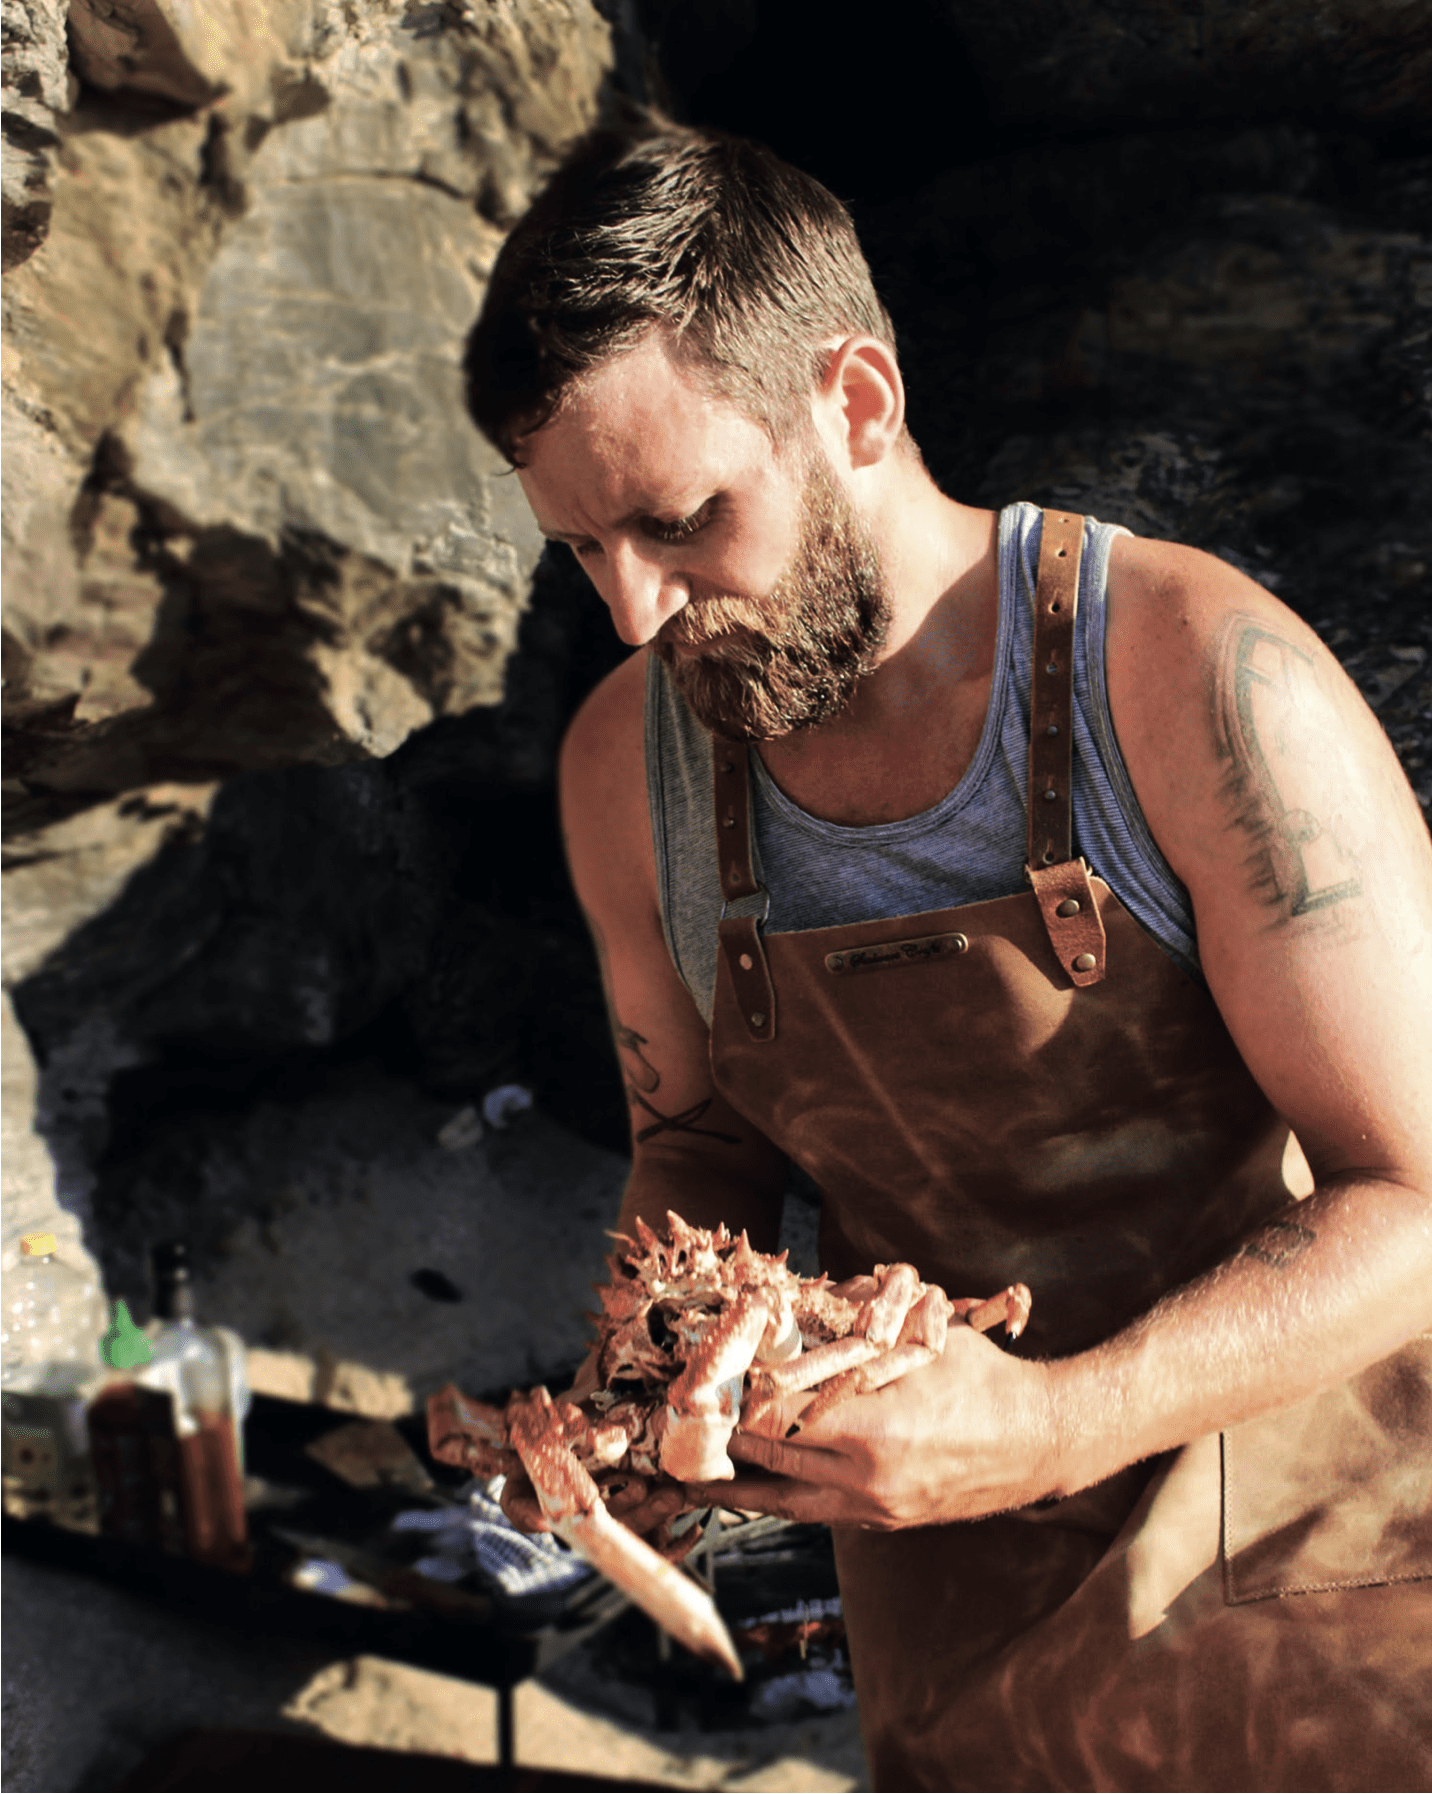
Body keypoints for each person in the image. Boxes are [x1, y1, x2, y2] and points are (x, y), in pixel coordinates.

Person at [463, 122, 1432, 1790]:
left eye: (683, 518)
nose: (634, 614)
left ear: (855, 401)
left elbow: (1417, 1200)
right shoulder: (629, 767)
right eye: (578, 549)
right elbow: (697, 1141)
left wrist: (1048, 1424)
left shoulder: (1199, 678)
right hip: (955, 1630)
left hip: (1328, 1593)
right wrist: (642, 1392)